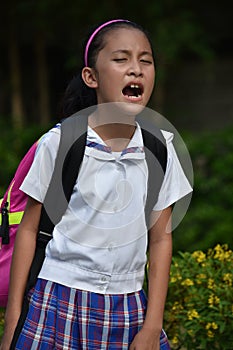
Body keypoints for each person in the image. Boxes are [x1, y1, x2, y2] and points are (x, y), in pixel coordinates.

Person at [0, 19, 192, 349]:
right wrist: (14, 321)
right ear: (91, 77)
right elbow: (30, 230)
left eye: (145, 60)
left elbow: (160, 239)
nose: (136, 69)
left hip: (129, 306)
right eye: (121, 59)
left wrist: (151, 326)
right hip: (56, 301)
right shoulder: (60, 144)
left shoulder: (160, 148)